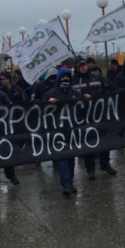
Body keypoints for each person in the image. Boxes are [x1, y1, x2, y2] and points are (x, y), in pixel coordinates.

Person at [72, 59, 117, 179]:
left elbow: (109, 89)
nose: (83, 68)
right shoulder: (73, 81)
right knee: (88, 144)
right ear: (77, 68)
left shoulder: (96, 78)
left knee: (104, 141)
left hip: (99, 115)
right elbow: (69, 98)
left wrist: (94, 97)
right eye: (80, 66)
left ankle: (105, 164)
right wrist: (80, 96)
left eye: (84, 65)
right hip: (83, 118)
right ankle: (90, 169)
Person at [43, 67, 81, 196]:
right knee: (63, 158)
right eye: (63, 78)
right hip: (58, 130)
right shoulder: (51, 93)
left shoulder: (74, 92)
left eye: (68, 78)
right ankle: (65, 184)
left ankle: (70, 182)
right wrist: (48, 103)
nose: (66, 81)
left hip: (72, 129)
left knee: (71, 158)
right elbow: (40, 109)